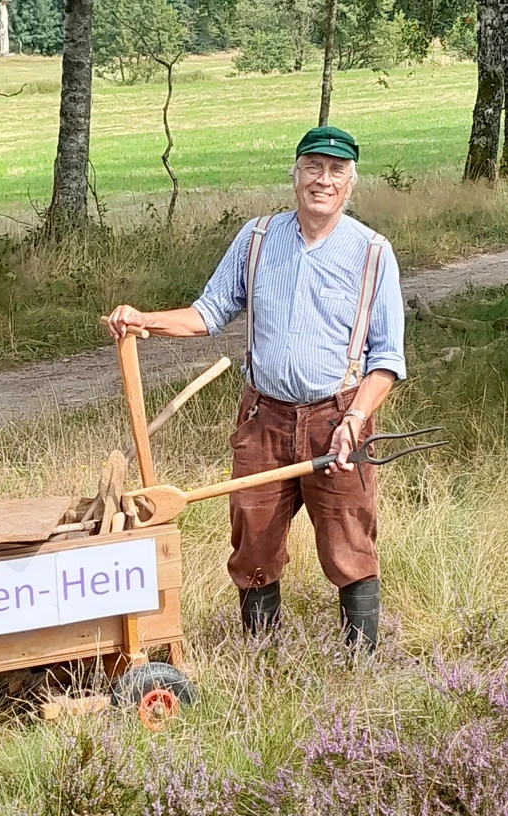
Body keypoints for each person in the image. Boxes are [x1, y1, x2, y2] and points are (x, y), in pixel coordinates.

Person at [105, 125, 406, 652]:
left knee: (349, 544)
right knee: (254, 543)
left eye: (336, 171)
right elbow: (208, 312)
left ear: (351, 184)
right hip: (263, 421)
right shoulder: (258, 239)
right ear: (295, 175)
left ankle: (361, 669)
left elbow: (386, 360)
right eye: (313, 167)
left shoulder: (373, 254)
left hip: (337, 420)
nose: (323, 180)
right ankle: (261, 662)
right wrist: (143, 319)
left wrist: (354, 423)